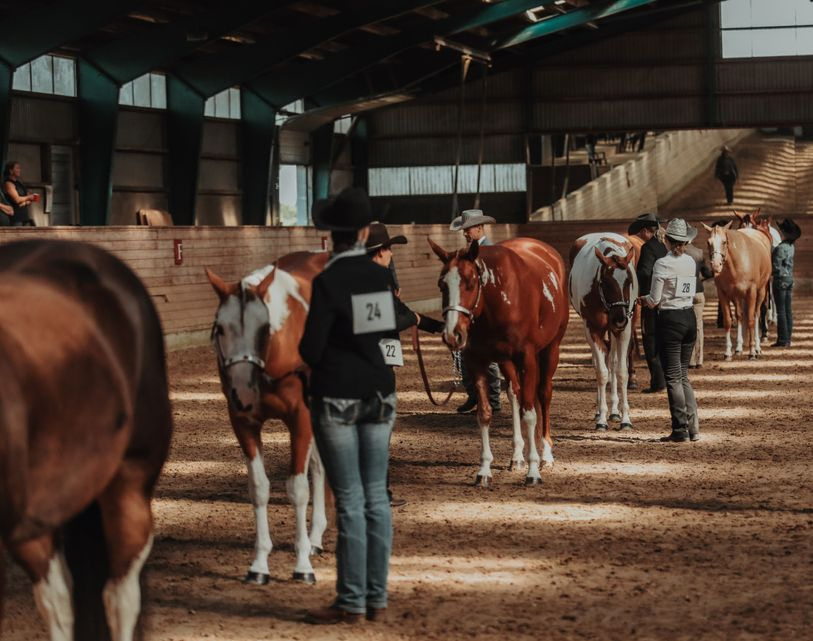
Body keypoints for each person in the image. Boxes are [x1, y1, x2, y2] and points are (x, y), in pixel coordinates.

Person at [299, 188, 402, 625]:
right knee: (376, 495)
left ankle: (352, 601)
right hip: (379, 395)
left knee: (350, 500)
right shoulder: (379, 277)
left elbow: (311, 348)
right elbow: (381, 339)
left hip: (337, 398)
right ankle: (376, 599)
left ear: (331, 237)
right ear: (363, 233)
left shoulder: (327, 282)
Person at [365, 222, 443, 508]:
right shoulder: (373, 280)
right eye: (389, 249)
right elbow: (385, 322)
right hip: (374, 362)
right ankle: (377, 493)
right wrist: (413, 320)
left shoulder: (379, 278)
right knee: (378, 426)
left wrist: (440, 329)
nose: (392, 255)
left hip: (380, 356)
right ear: (381, 251)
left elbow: (403, 312)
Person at [638, 218, 700, 443]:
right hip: (689, 317)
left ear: (666, 239)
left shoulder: (662, 264)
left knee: (673, 376)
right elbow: (688, 292)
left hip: (670, 320)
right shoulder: (690, 262)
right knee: (683, 375)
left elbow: (654, 300)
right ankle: (693, 428)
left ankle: (680, 429)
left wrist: (642, 300)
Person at [449, 209, 501, 414]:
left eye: (468, 229)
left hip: (486, 313)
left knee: (488, 357)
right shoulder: (467, 252)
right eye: (464, 230)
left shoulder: (492, 252)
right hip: (470, 311)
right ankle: (474, 394)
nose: (465, 233)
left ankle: (494, 400)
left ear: (479, 228)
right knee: (461, 351)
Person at [630, 212, 666, 393]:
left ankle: (657, 382)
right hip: (664, 301)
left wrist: (634, 285)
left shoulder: (647, 248)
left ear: (645, 231)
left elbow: (645, 272)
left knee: (650, 339)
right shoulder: (662, 247)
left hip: (650, 299)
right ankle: (664, 379)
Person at [772, 218, 800, 348]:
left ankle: (782, 339)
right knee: (788, 310)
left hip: (780, 280)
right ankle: (788, 338)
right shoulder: (791, 246)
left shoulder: (780, 248)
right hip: (789, 278)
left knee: (781, 311)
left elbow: (776, 267)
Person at [685, 240, 713, 368]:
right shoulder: (699, 253)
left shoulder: (678, 253)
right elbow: (708, 273)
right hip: (698, 290)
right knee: (698, 326)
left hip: (684, 291)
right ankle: (699, 359)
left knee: (686, 327)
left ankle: (689, 360)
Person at [3, 161, 37, 226]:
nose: (19, 170)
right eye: (17, 168)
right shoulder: (9, 183)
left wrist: (25, 201)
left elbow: (28, 197)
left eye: (19, 168)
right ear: (11, 170)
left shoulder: (19, 183)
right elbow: (17, 199)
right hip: (16, 217)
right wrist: (28, 198)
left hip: (25, 216)